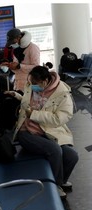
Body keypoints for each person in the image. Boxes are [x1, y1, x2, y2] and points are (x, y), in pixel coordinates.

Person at [6, 65, 79, 199]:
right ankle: (55, 185)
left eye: (35, 84)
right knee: (55, 150)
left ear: (45, 81)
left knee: (72, 156)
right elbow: (26, 102)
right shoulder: (31, 85)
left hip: (51, 131)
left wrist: (34, 114)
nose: (32, 86)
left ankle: (60, 180)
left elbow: (59, 118)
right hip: (26, 132)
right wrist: (16, 95)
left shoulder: (62, 93)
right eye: (31, 83)